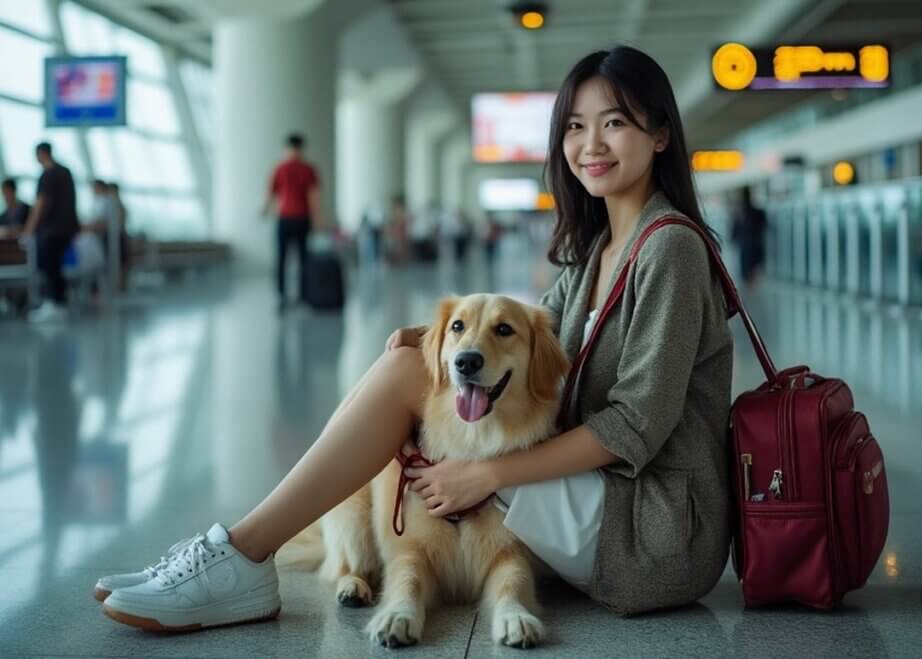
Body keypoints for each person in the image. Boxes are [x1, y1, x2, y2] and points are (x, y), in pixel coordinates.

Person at [97, 45, 734, 629]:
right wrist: (434, 339)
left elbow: (636, 425)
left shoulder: (670, 247)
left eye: (614, 122)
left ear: (659, 134)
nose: (590, 142)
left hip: (655, 529)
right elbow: (529, 341)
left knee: (409, 382)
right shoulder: (599, 249)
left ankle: (240, 555)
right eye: (574, 125)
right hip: (606, 502)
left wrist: (485, 473)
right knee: (416, 363)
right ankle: (242, 551)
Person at [263, 133, 324, 311]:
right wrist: (318, 219)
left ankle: (283, 297)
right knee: (302, 258)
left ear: (287, 148)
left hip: (286, 219)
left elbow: (270, 194)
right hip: (301, 219)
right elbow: (314, 198)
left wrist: (264, 210)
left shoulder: (280, 168)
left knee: (283, 259)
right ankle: (302, 296)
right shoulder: (308, 169)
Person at [21, 142, 80, 323]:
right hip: (67, 228)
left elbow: (41, 203)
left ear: (41, 154)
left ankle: (55, 303)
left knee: (49, 266)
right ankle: (59, 303)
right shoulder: (65, 172)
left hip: (51, 230)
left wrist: (28, 229)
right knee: (57, 266)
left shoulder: (48, 174)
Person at [731, 186, 767, 286]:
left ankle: (749, 284)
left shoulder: (741, 213)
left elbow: (735, 229)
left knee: (748, 267)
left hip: (748, 245)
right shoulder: (755, 212)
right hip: (753, 244)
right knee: (751, 267)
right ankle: (750, 283)